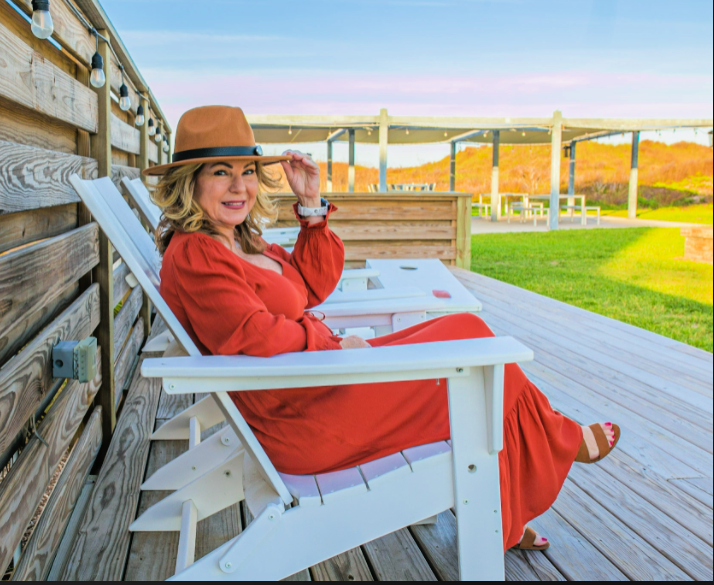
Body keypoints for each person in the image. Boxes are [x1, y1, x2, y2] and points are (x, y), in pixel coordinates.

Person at [143, 105, 620, 552]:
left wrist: (310, 204)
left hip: (319, 379)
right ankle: (551, 453)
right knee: (478, 365)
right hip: (303, 413)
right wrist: (326, 342)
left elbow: (311, 286)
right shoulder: (196, 253)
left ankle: (511, 506)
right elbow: (251, 333)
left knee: (468, 329)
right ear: (190, 182)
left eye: (246, 171)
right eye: (220, 172)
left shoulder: (240, 241)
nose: (238, 186)